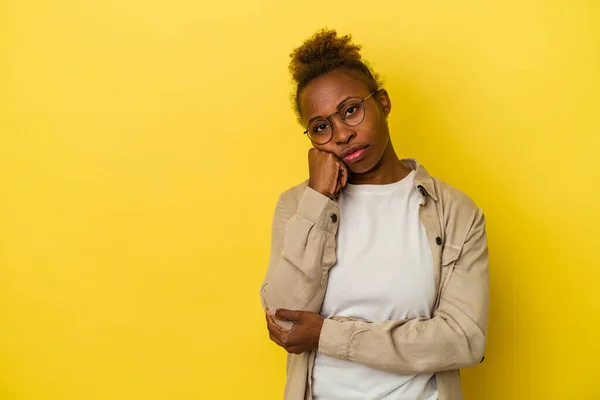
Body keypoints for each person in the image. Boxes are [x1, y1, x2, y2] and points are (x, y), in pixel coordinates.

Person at [260, 28, 489, 400]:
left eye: (351, 110)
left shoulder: (456, 212)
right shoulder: (297, 205)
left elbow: (463, 339)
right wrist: (318, 197)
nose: (342, 134)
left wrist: (326, 334)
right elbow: (285, 319)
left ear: (382, 102)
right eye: (321, 127)